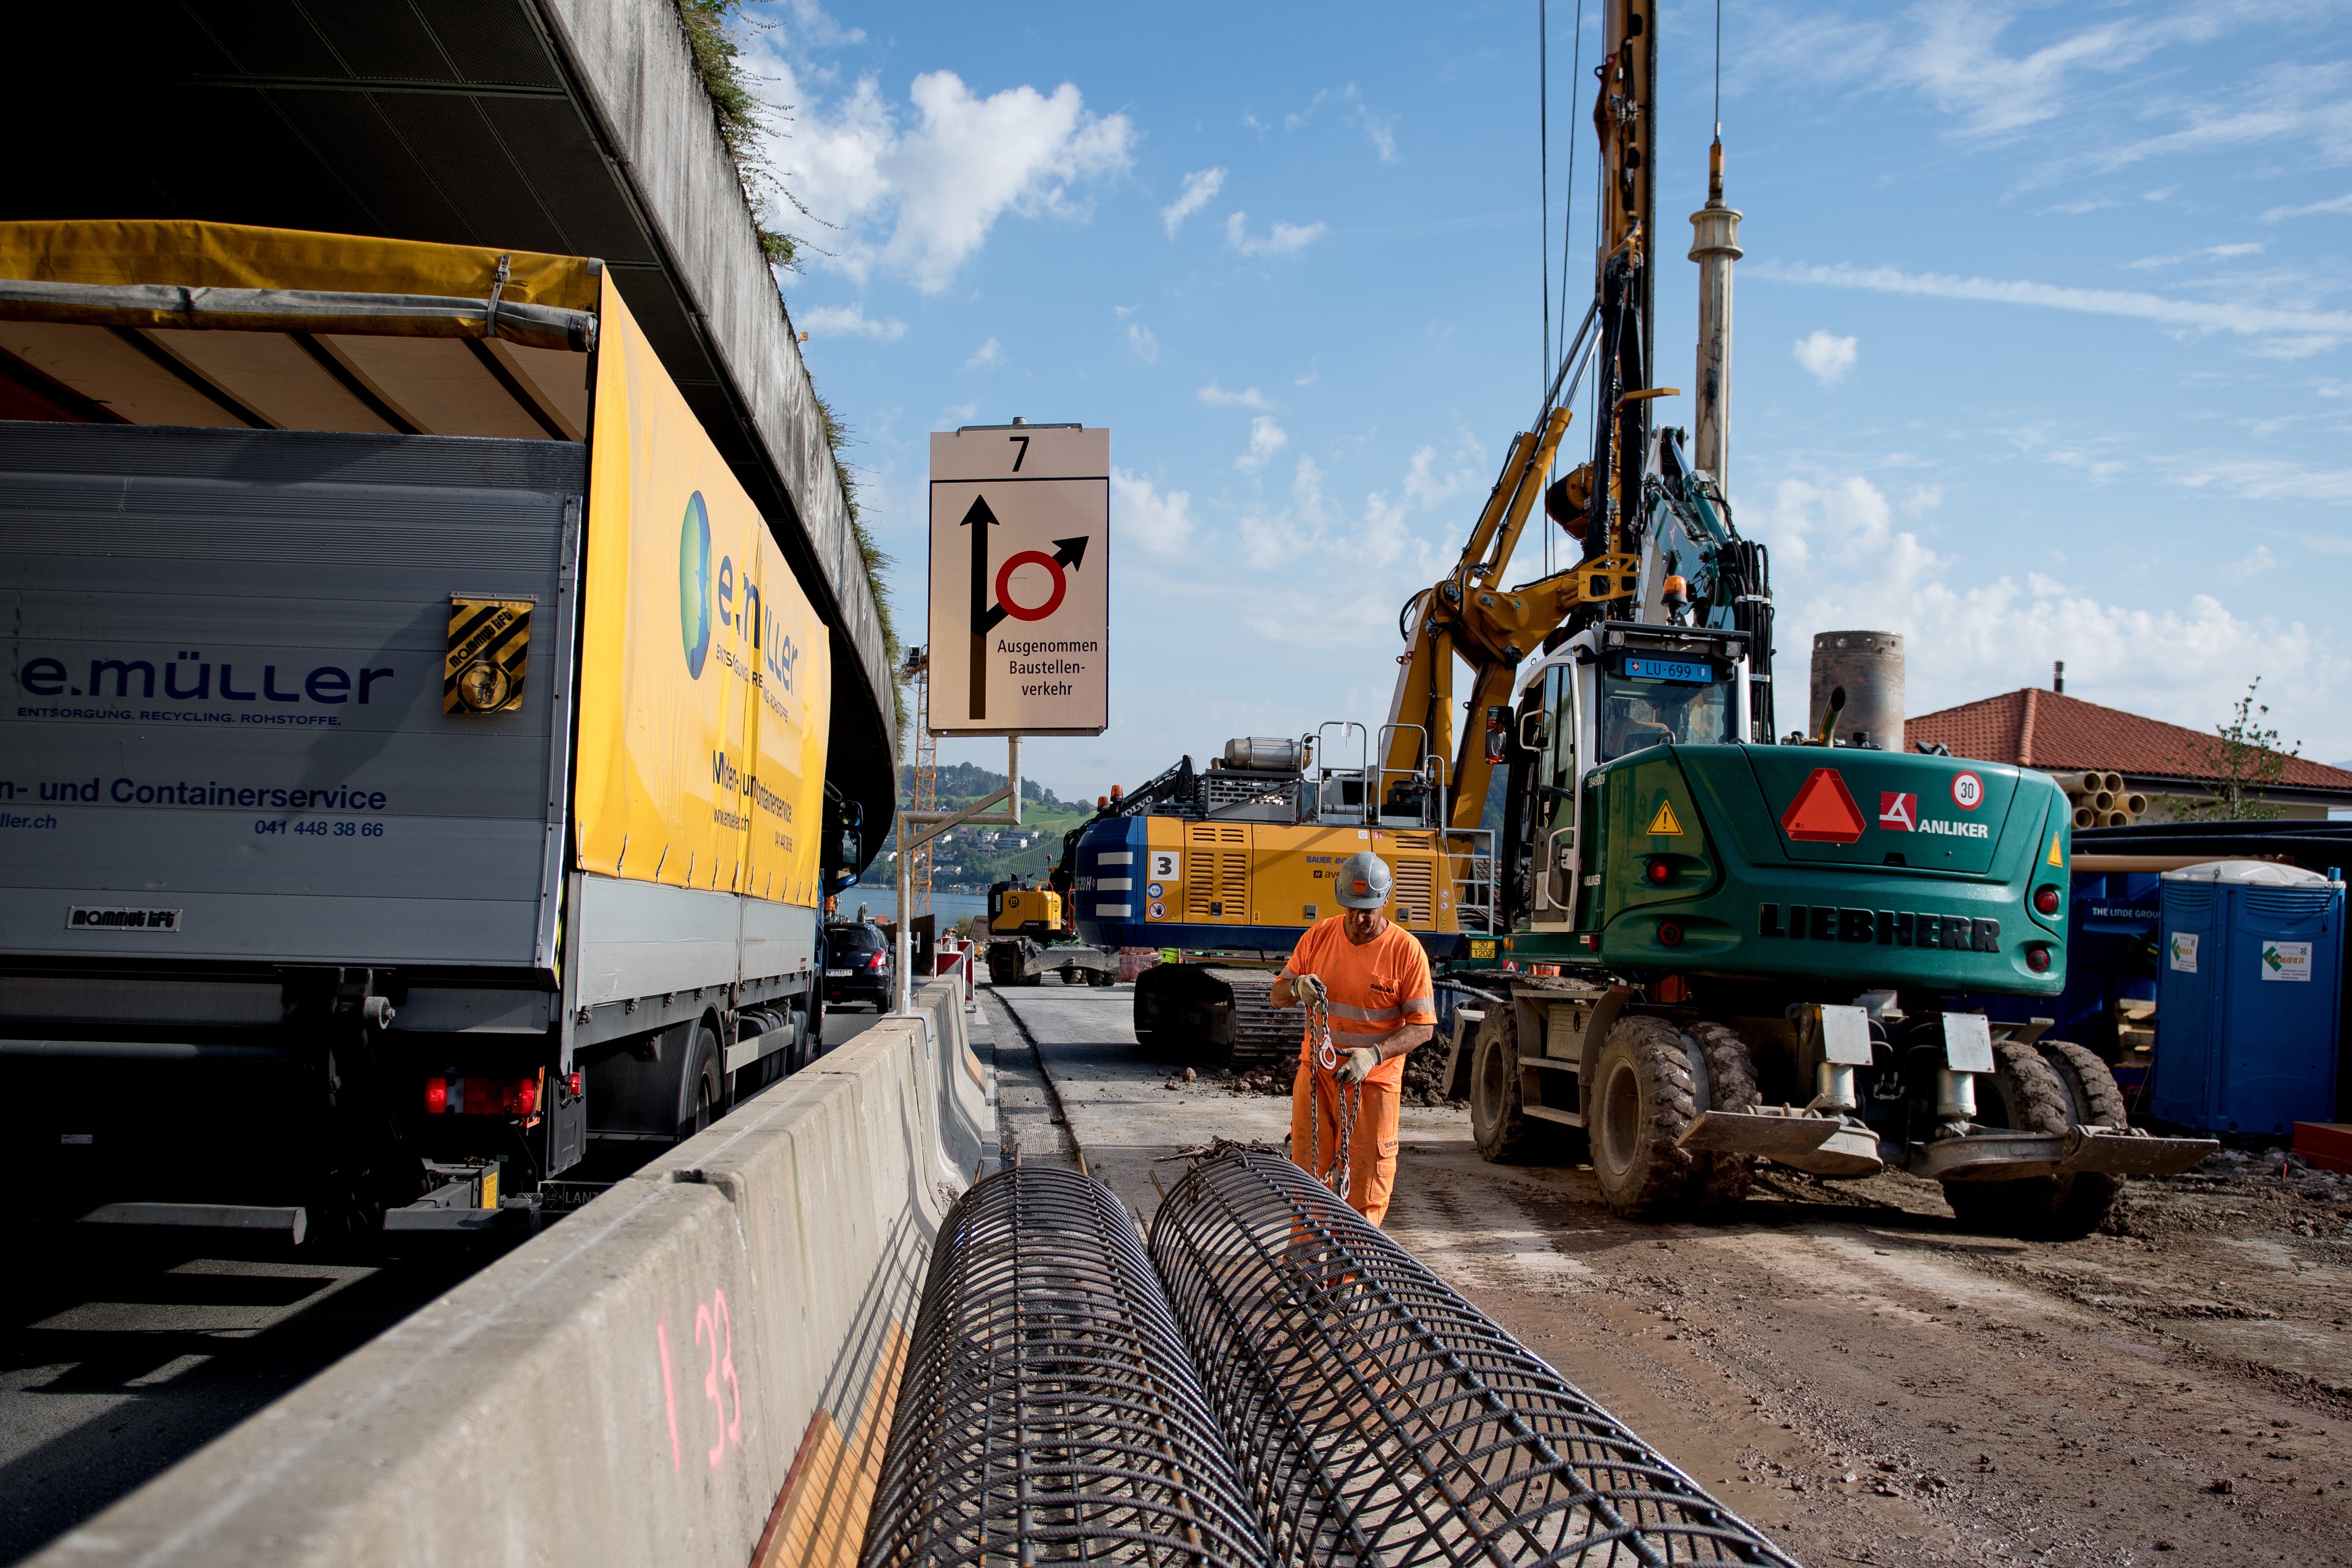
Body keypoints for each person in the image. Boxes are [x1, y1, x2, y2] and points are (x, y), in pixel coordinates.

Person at [1268, 850, 1437, 1225]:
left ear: (1386, 900)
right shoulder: (1319, 937)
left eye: (1369, 910)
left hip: (1372, 1085)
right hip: (1317, 1078)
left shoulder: (1406, 952)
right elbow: (1277, 995)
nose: (1360, 918)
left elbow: (1423, 1026)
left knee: (1364, 1188)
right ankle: (1306, 1272)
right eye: (1351, 908)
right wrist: (1295, 986)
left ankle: (1352, 1280)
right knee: (1308, 1180)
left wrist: (1374, 1055)